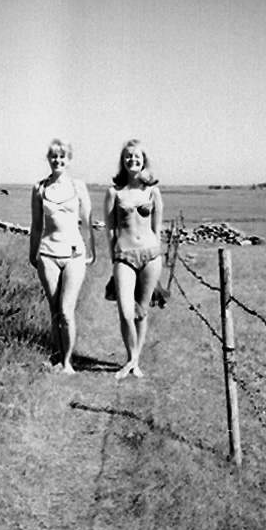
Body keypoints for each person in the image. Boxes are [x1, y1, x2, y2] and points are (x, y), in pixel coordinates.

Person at [29, 139, 96, 374]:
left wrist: (92, 251)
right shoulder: (39, 188)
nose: (58, 160)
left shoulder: (78, 187)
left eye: (62, 156)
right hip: (48, 254)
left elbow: (87, 222)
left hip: (74, 255)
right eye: (54, 156)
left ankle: (68, 363)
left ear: (69, 160)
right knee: (55, 311)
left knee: (67, 311)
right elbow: (36, 225)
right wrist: (33, 254)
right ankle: (58, 357)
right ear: (48, 159)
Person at [104, 139, 163, 379]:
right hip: (124, 255)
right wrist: (114, 255)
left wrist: (158, 255)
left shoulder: (153, 192)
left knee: (142, 310)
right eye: (128, 156)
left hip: (150, 255)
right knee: (126, 312)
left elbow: (157, 229)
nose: (132, 160)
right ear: (123, 161)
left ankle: (134, 362)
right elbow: (110, 228)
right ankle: (132, 358)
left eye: (137, 156)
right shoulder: (114, 192)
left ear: (144, 160)